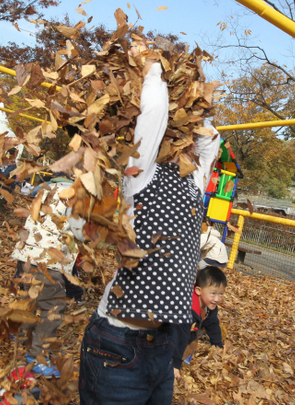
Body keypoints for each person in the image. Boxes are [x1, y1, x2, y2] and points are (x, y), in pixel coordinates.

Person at [78, 55, 220, 404]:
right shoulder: (140, 177)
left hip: (164, 344)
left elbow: (211, 141)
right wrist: (156, 69)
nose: (182, 147)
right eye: (176, 140)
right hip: (118, 344)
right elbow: (153, 117)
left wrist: (197, 98)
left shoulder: (194, 184)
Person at [11, 181, 86, 378]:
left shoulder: (53, 187)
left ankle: (18, 331)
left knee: (30, 298)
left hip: (26, 254)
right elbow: (80, 232)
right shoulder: (77, 197)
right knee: (53, 307)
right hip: (48, 262)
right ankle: (37, 354)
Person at [171, 266, 227, 380]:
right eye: (213, 293)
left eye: (221, 294)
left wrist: (218, 345)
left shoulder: (210, 306)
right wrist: (175, 365)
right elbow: (179, 336)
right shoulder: (188, 309)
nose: (217, 299)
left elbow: (213, 324)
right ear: (198, 290)